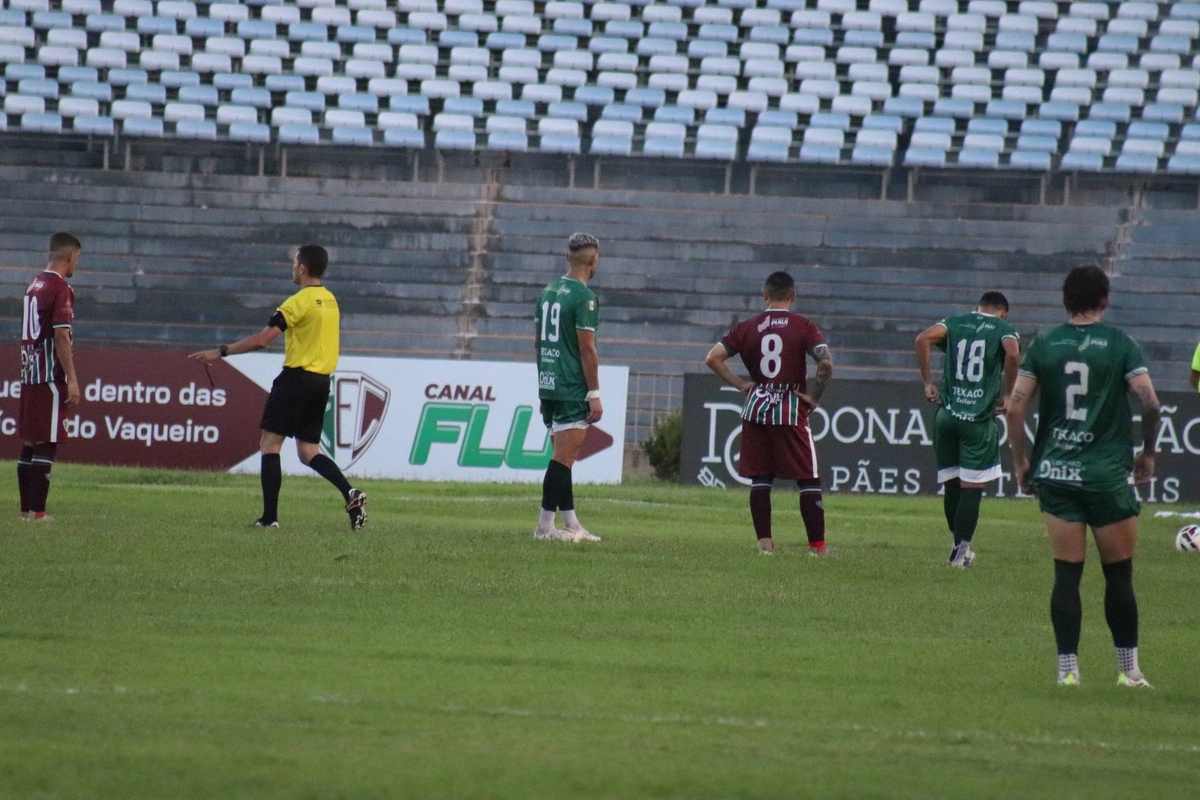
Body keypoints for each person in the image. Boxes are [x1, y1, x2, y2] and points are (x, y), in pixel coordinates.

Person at [1007, 265, 1160, 688]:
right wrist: (1147, 454)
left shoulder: (1046, 343)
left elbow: (1016, 407)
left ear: (1065, 300)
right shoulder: (1120, 344)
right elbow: (1149, 401)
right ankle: (1128, 670)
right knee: (1118, 575)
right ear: (1105, 299)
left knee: (1066, 575)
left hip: (1057, 472)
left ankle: (1067, 671)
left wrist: (1021, 463)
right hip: (1107, 475)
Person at [190, 244, 367, 531]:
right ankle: (350, 493)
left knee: (270, 445)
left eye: (294, 262)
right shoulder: (330, 300)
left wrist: (221, 351)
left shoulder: (298, 301)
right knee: (308, 450)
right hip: (321, 382)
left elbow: (263, 340)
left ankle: (269, 519)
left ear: (302, 268)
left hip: (296, 379)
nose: (292, 267)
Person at [705, 271, 833, 555]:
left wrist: (741, 385)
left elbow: (712, 358)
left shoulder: (747, 327)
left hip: (757, 406)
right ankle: (818, 547)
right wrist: (813, 397)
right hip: (789, 407)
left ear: (765, 294)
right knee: (808, 478)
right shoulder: (803, 326)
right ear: (793, 296)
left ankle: (765, 546)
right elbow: (826, 364)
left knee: (761, 478)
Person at [915, 292, 1020, 568]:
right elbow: (1012, 353)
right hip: (977, 418)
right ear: (1003, 313)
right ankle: (960, 555)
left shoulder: (954, 322)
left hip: (946, 416)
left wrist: (927, 383)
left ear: (977, 307)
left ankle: (958, 549)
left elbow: (922, 339)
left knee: (952, 483)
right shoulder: (1004, 329)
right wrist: (1009, 394)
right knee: (971, 487)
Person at [533, 233, 603, 543]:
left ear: (568, 259)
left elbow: (538, 342)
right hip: (571, 385)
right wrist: (595, 394)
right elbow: (587, 349)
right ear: (593, 260)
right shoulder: (583, 297)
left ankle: (571, 524)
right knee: (564, 457)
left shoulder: (548, 292)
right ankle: (544, 528)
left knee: (565, 455)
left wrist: (542, 384)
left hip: (549, 382)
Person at [17, 232, 82, 521]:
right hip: (47, 373)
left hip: (29, 370)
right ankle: (38, 514)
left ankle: (26, 511)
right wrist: (72, 378)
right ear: (69, 257)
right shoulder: (60, 287)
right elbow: (61, 336)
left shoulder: (34, 285)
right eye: (77, 259)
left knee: (31, 440)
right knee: (47, 440)